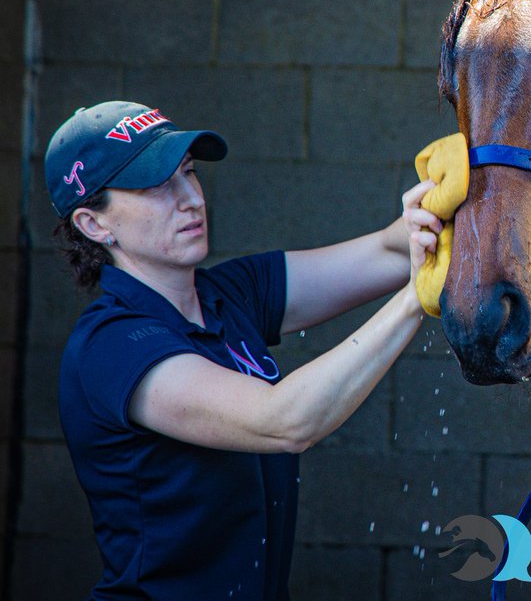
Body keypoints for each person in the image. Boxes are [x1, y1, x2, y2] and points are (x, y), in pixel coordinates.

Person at [45, 101, 442, 600]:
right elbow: (285, 421)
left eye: (189, 173)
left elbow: (390, 251)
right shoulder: (111, 345)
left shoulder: (230, 293)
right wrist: (414, 302)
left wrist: (449, 194)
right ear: (94, 224)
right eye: (156, 185)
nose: (192, 198)